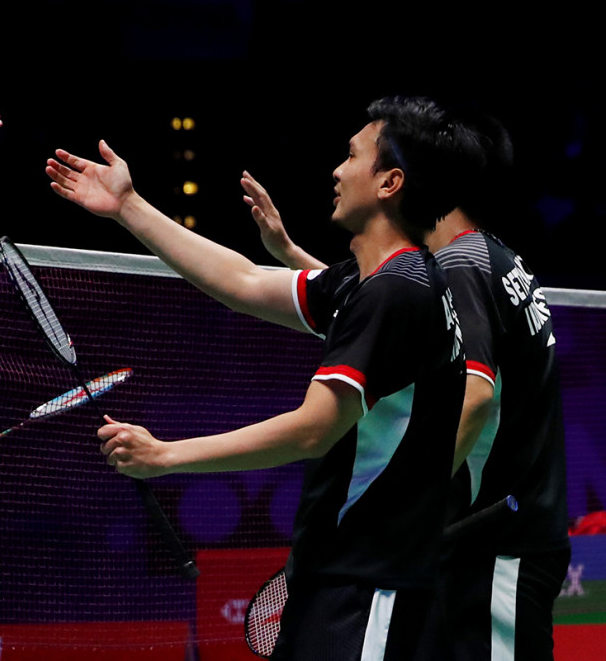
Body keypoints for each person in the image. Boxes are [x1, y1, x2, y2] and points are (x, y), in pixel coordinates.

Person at [46, 96, 477, 659]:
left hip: (372, 587)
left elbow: (312, 430)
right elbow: (245, 281)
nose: (337, 170)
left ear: (389, 183)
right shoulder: (373, 283)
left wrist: (165, 456)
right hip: (346, 576)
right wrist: (128, 206)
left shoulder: (397, 292)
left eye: (352, 156)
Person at [248, 109, 569, 660]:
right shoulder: (493, 257)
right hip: (516, 527)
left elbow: (476, 392)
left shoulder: (461, 265)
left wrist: (405, 508)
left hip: (498, 543)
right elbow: (386, 306)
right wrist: (293, 257)